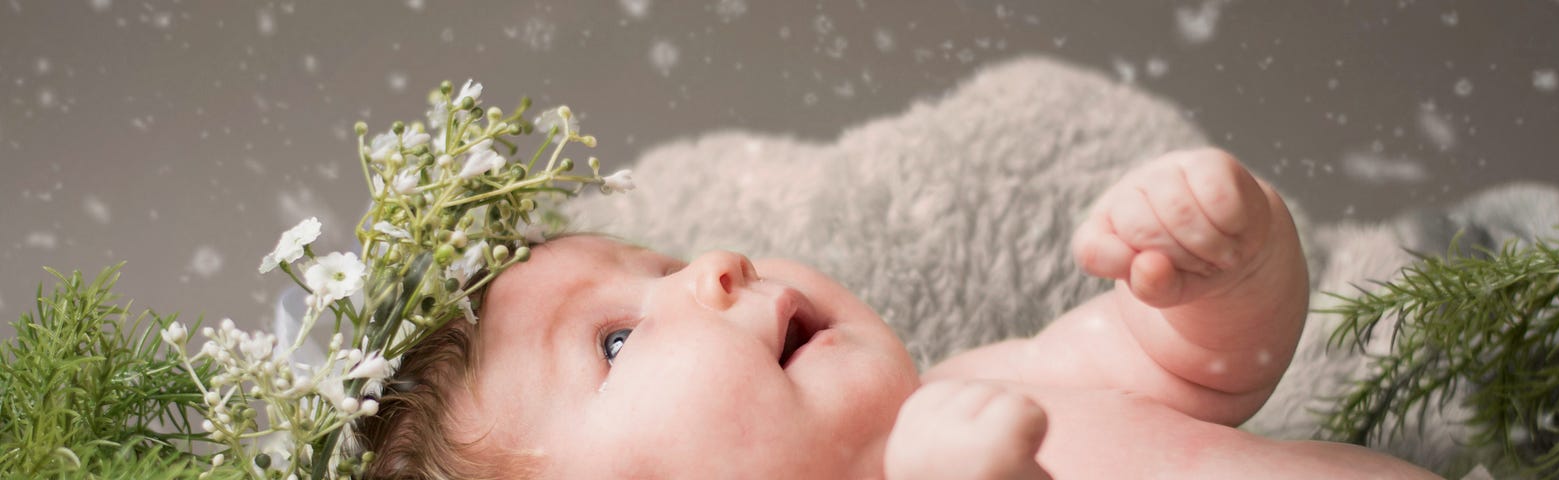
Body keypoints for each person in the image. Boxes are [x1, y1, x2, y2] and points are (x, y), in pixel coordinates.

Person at [356, 148, 1440, 479]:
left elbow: (1205, 368)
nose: (716, 267)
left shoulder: (994, 378)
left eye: (669, 260)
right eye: (618, 339)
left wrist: (1224, 263)